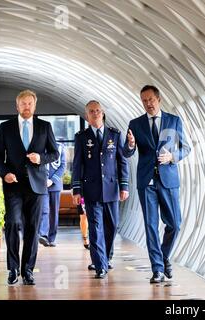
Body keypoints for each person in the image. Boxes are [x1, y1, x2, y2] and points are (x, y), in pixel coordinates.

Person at [124, 85, 191, 283]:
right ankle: (158, 269)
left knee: (175, 224)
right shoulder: (135, 124)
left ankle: (163, 256)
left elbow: (185, 148)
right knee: (151, 226)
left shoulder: (173, 120)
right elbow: (127, 152)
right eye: (144, 100)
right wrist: (129, 145)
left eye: (151, 99)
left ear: (159, 99)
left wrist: (172, 156)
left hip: (168, 180)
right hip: (146, 182)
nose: (148, 104)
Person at [0, 89, 59, 285]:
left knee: (32, 228)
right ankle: (13, 269)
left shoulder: (44, 127)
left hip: (37, 186)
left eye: (30, 103)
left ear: (34, 105)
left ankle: (28, 270)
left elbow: (54, 153)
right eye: (23, 104)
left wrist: (41, 158)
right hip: (13, 186)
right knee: (12, 223)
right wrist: (5, 173)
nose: (27, 107)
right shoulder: (5, 127)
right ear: (17, 106)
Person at [72, 100, 129, 279]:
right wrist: (76, 189)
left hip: (111, 189)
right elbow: (77, 164)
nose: (95, 114)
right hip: (91, 190)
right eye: (91, 111)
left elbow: (122, 161)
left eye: (98, 111)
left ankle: (106, 257)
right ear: (86, 116)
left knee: (112, 226)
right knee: (95, 227)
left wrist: (124, 185)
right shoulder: (81, 137)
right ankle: (100, 265)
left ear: (102, 113)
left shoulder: (115, 134)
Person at [39, 142, 66, 247]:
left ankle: (51, 238)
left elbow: (63, 166)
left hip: (55, 185)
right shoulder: (39, 145)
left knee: (54, 212)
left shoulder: (59, 147)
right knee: (44, 210)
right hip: (41, 184)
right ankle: (43, 235)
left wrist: (52, 180)